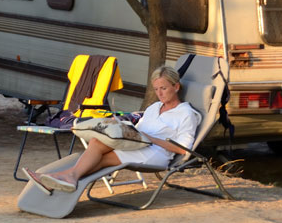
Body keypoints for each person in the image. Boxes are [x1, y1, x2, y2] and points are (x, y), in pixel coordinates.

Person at [24, 65, 201, 193]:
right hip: (138, 144)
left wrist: (150, 138)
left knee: (103, 156)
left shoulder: (186, 114)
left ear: (176, 87)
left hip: (156, 154)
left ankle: (62, 177)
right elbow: (138, 128)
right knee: (98, 140)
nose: (160, 93)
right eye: (156, 89)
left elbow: (184, 149)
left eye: (164, 88)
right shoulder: (154, 107)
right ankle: (64, 178)